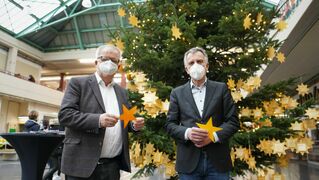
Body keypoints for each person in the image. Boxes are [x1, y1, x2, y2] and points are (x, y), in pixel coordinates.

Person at [58, 44, 144, 180]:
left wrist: (134, 125)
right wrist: (98, 120)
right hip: (82, 164)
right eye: (105, 59)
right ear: (96, 62)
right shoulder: (78, 84)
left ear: (119, 65)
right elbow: (65, 115)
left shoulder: (122, 92)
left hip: (112, 166)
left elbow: (126, 120)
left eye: (114, 60)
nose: (109, 63)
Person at [165, 47, 240, 179]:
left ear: (207, 65)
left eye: (199, 61)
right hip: (188, 163)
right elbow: (170, 125)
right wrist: (188, 133)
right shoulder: (177, 93)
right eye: (191, 63)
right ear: (186, 69)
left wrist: (213, 136)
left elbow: (233, 121)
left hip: (218, 162)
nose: (196, 65)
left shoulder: (221, 88)